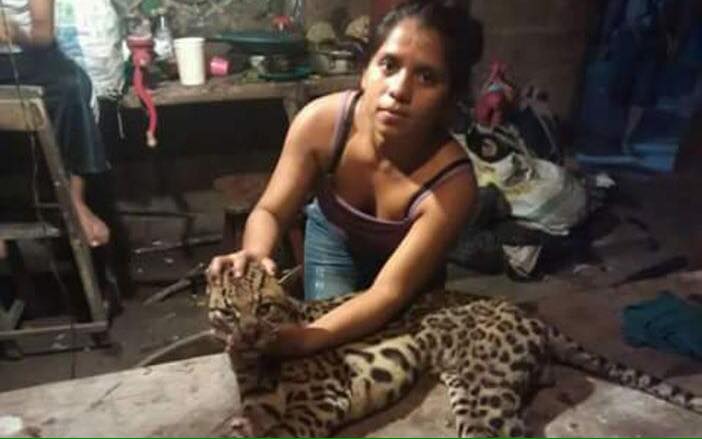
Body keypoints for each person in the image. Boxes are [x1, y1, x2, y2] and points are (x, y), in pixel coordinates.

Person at [209, 0, 478, 357]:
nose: (399, 90)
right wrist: (255, 256)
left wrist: (306, 338)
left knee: (404, 358)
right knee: (333, 355)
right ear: (365, 71)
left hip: (408, 275)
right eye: (388, 65)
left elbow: (390, 292)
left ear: (449, 99)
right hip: (334, 244)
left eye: (427, 77)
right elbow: (271, 211)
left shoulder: (452, 184)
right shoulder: (321, 124)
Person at [0, 0, 110, 247]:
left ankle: (74, 200)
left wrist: (15, 33)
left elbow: (43, 32)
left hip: (28, 57)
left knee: (73, 86)